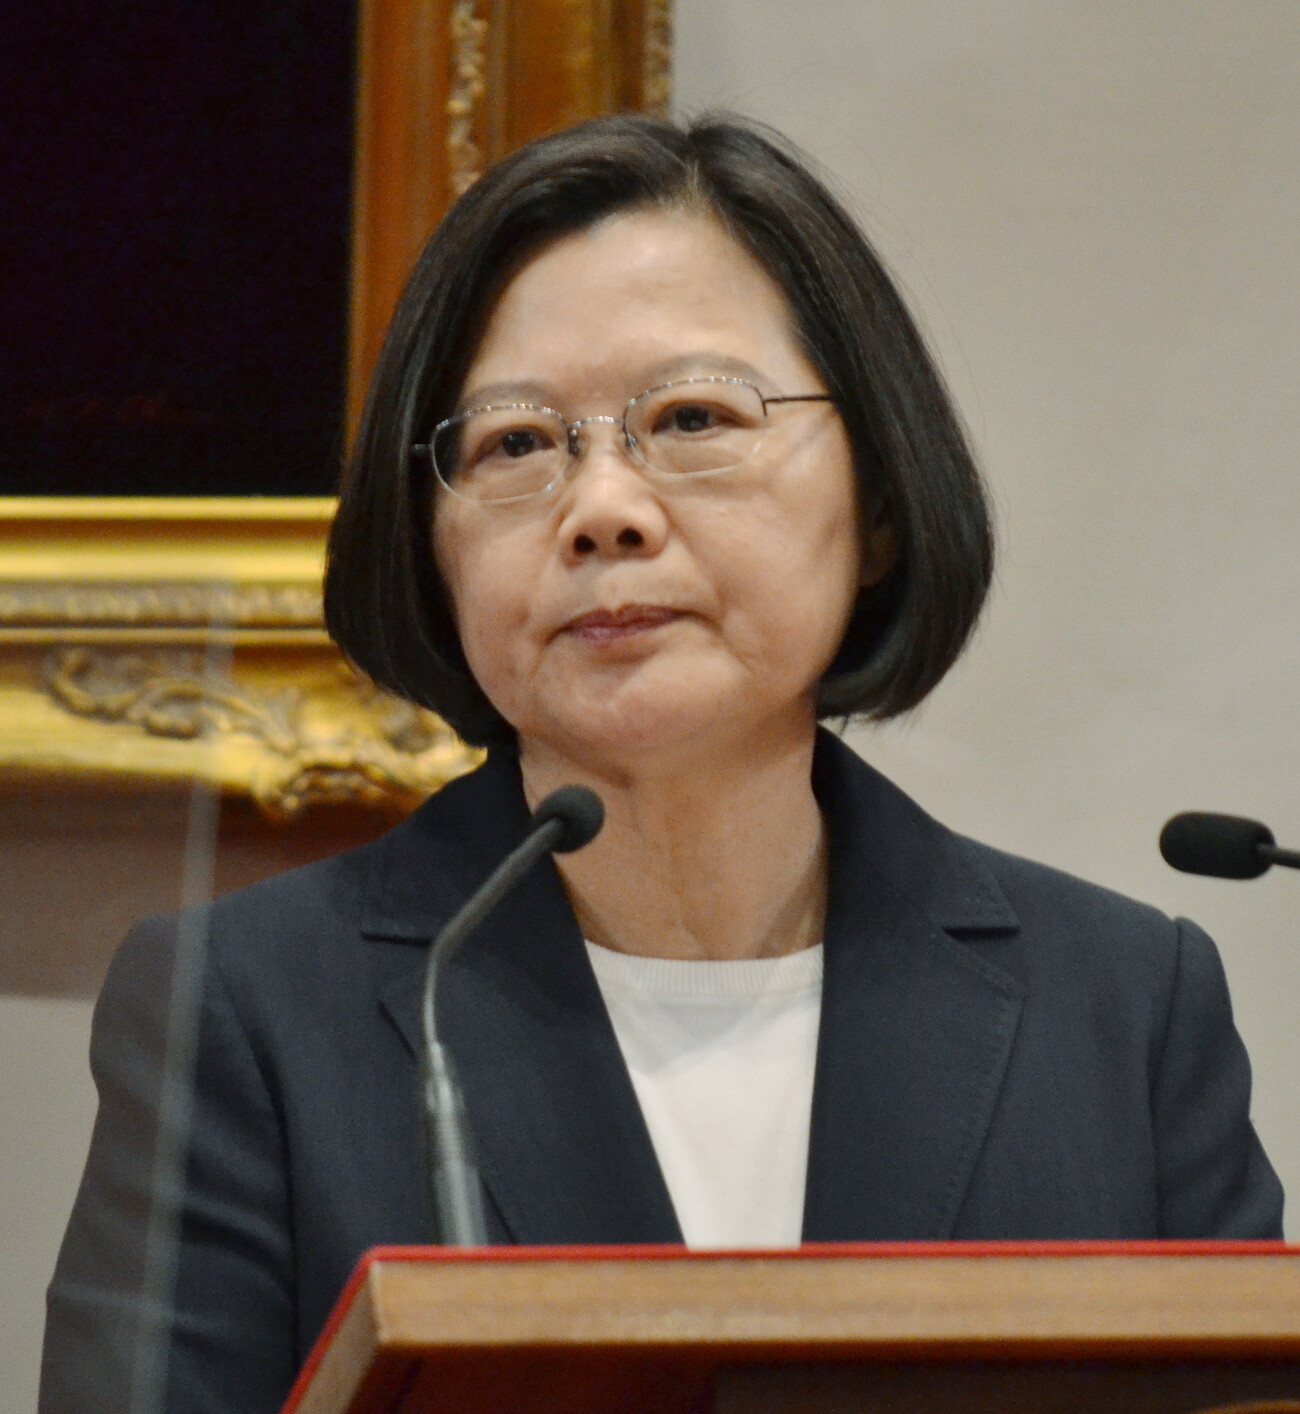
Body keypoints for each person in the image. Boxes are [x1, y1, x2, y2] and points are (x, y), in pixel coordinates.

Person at [41, 113, 1283, 1414]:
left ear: (877, 504)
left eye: (693, 416)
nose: (604, 511)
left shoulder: (1122, 1010)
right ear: (432, 546)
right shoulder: (246, 1015)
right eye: (517, 443)